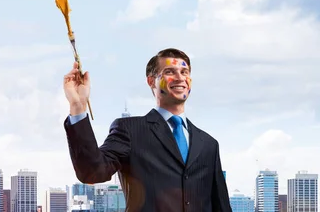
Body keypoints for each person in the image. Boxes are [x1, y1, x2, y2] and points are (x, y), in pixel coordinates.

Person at [63, 48, 231, 212]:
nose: (180, 77)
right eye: (170, 72)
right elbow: (92, 172)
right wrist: (78, 107)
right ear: (151, 81)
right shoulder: (129, 131)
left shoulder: (209, 144)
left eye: (184, 72)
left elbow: (221, 205)